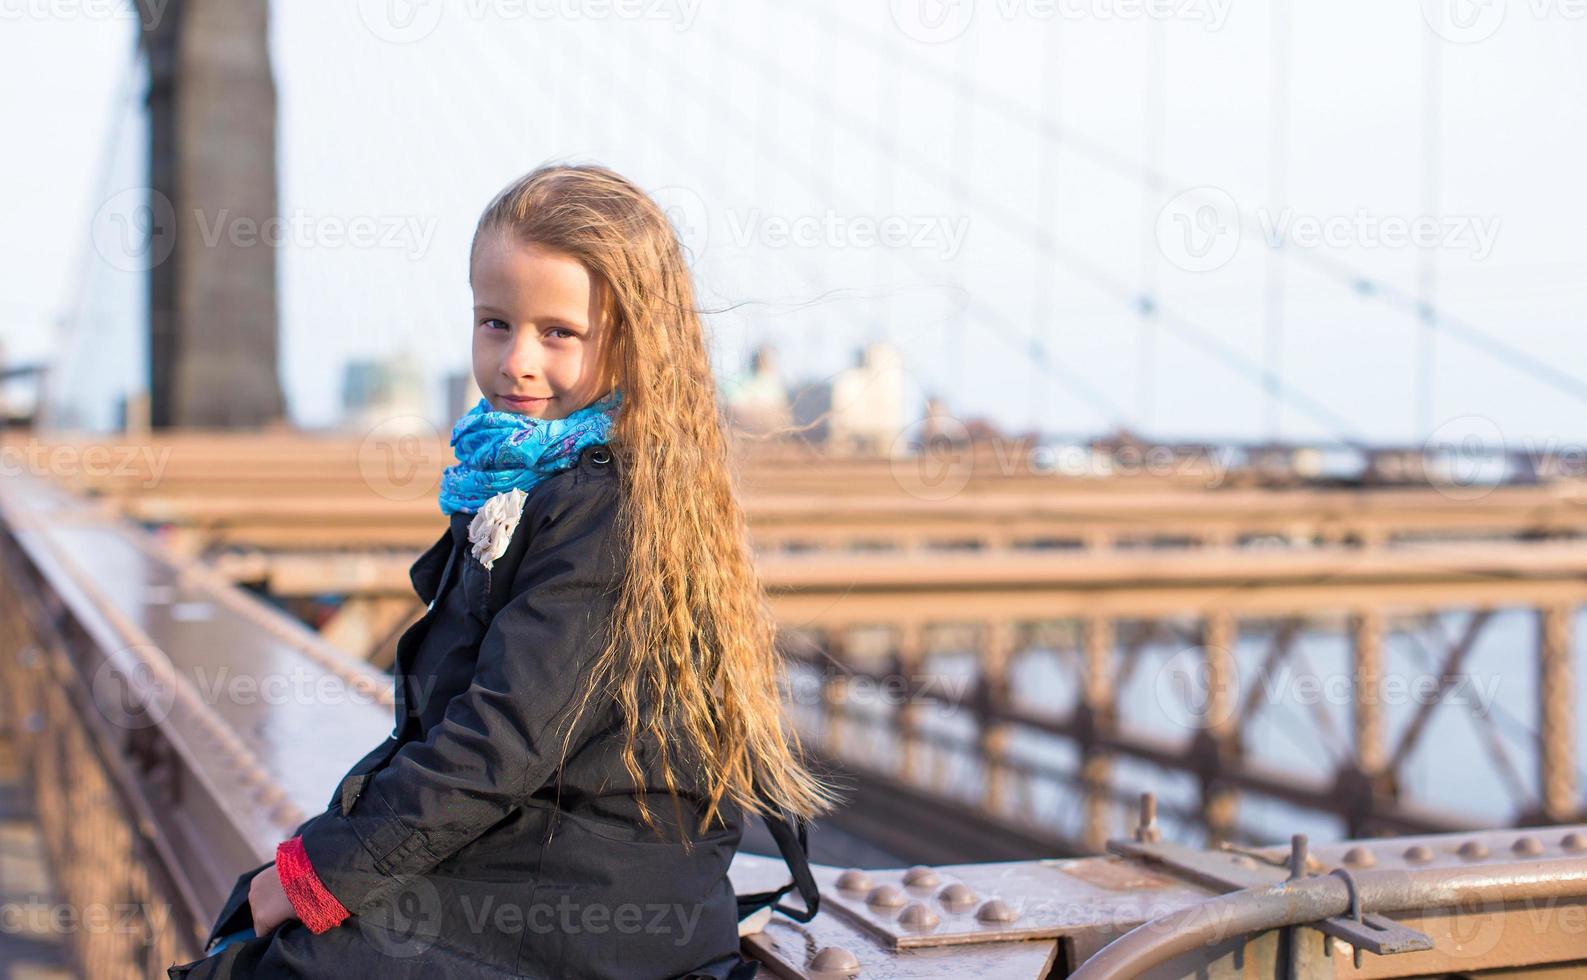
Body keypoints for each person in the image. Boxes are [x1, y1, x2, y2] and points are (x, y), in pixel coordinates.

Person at [168, 163, 840, 979]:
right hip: (550, 864)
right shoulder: (529, 476)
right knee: (263, 924)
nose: (517, 360)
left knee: (272, 958)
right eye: (495, 323)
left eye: (558, 333)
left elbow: (499, 741)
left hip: (597, 904)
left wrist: (318, 878)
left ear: (632, 339)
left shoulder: (606, 508)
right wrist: (316, 867)